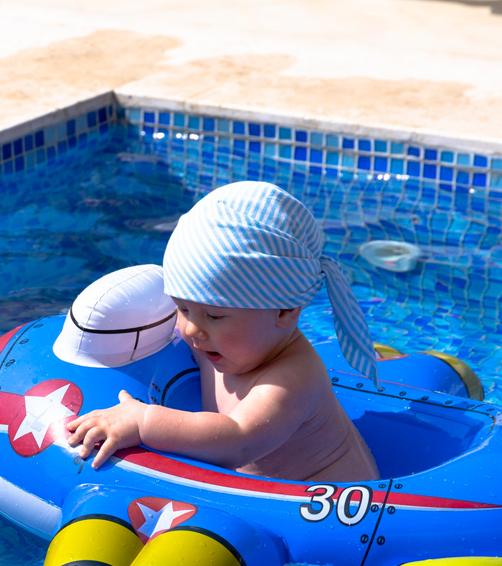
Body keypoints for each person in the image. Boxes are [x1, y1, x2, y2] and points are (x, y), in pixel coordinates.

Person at [66, 181, 380, 482]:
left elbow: (237, 441)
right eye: (183, 308)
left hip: (331, 505)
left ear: (285, 310)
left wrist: (142, 421)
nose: (190, 328)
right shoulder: (223, 339)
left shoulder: (293, 378)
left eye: (214, 315)